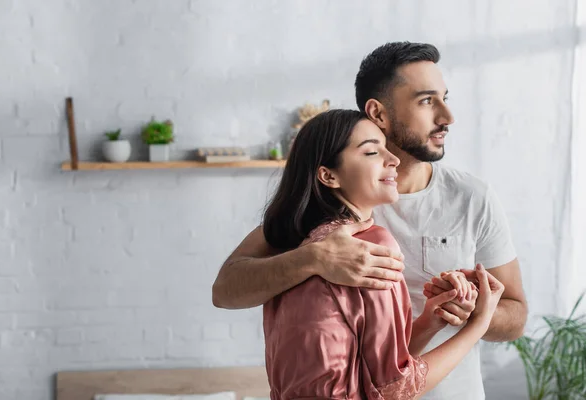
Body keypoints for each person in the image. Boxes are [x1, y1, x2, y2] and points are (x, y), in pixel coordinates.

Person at [212, 42, 528, 399]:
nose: (447, 116)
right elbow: (225, 289)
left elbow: (515, 315)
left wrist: (468, 310)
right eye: (426, 101)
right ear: (378, 113)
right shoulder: (328, 207)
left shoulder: (472, 197)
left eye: (445, 97)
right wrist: (314, 258)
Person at [262, 108, 504, 399]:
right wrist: (478, 325)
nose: (394, 160)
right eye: (371, 153)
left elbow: (364, 370)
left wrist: (429, 321)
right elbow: (394, 390)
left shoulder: (296, 246)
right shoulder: (369, 245)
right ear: (328, 175)